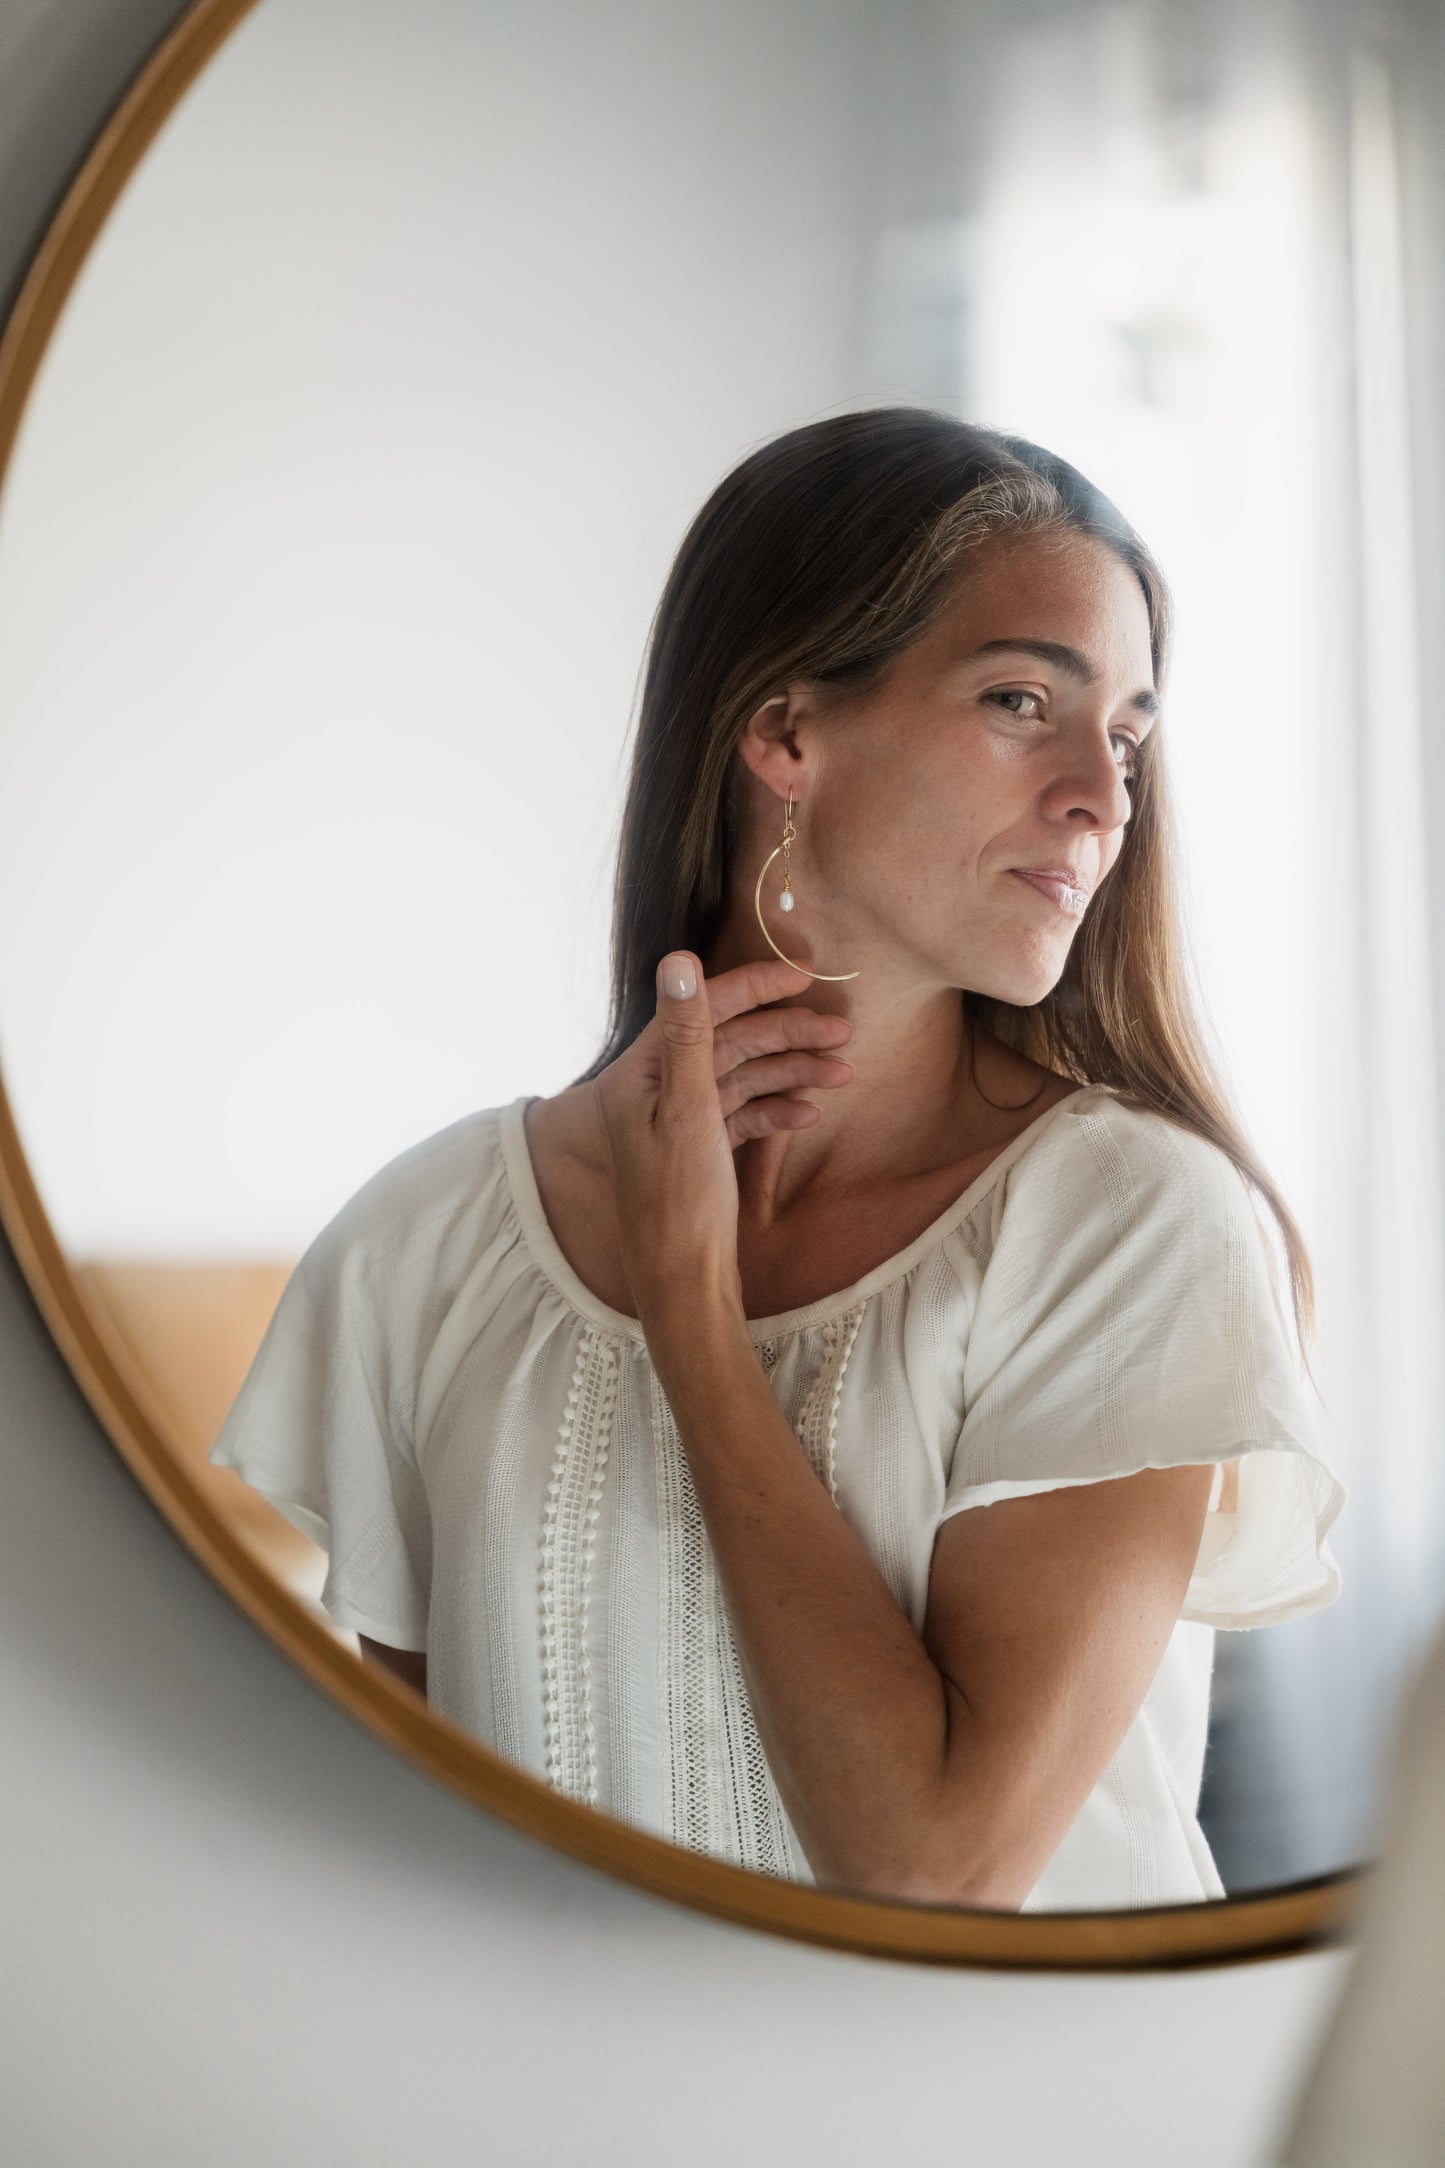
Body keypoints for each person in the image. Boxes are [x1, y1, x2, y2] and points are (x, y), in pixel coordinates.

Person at [210, 407, 1344, 1912]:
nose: (1102, 794)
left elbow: (936, 1873)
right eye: (1022, 699)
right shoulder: (427, 1243)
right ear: (785, 731)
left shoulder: (1128, 1223)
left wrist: (690, 1310)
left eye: (1128, 733)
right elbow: (436, 1888)